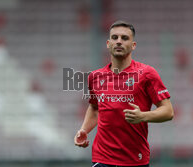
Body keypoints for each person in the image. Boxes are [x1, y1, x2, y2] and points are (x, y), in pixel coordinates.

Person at [74, 20, 174, 167]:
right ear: (108, 44)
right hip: (102, 158)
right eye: (115, 38)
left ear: (133, 45)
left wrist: (143, 116)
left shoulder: (147, 73)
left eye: (124, 38)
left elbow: (168, 111)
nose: (119, 41)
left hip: (135, 159)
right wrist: (84, 130)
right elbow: (95, 108)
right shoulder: (95, 77)